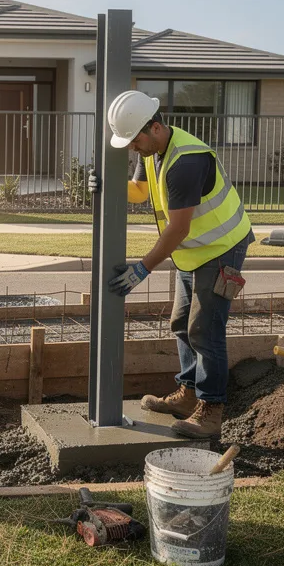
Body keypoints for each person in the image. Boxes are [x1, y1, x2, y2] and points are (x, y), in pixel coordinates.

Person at [102, 90, 253, 438]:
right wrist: (106, 185)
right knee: (181, 323)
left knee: (205, 328)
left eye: (134, 140)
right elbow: (139, 192)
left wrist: (142, 268)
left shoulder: (186, 161)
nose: (131, 148)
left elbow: (179, 227)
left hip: (221, 248)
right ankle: (187, 395)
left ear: (154, 127)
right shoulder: (154, 150)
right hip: (194, 250)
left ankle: (211, 411)